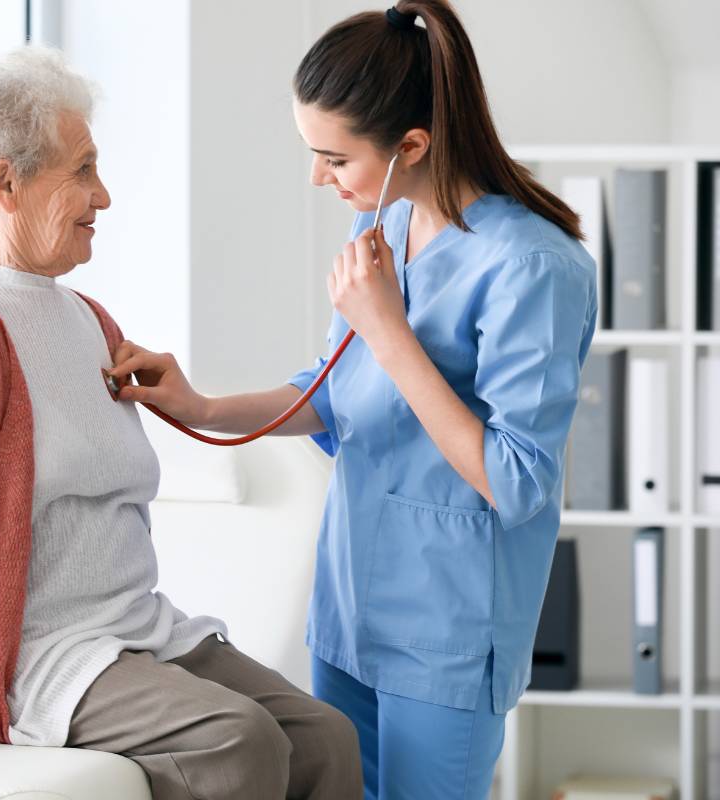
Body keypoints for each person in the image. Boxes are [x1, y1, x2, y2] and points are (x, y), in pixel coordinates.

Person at [0, 46, 362, 799]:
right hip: (31, 656)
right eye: (82, 170)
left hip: (131, 631)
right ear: (5, 182)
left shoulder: (83, 316)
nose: (103, 197)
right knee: (238, 742)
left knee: (324, 737)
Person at [108, 2, 598, 798]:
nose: (317, 178)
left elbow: (516, 479)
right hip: (351, 609)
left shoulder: (534, 268)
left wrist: (389, 330)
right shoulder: (387, 232)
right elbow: (332, 392)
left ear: (412, 144)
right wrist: (197, 406)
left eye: (334, 159)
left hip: (446, 630)